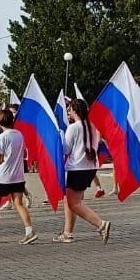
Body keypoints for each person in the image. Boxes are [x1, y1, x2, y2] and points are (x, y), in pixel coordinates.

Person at [52, 98, 112, 244]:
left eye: (70, 109)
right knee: (72, 200)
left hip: (77, 168)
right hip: (90, 168)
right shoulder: (92, 126)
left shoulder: (73, 128)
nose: (68, 112)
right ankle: (67, 233)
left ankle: (100, 224)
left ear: (75, 111)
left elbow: (66, 149)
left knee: (73, 204)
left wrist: (58, 140)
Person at [0, 109, 37, 244]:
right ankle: (29, 231)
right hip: (18, 176)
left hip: (4, 176)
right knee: (19, 204)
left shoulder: (2, 137)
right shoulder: (19, 135)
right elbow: (22, 153)